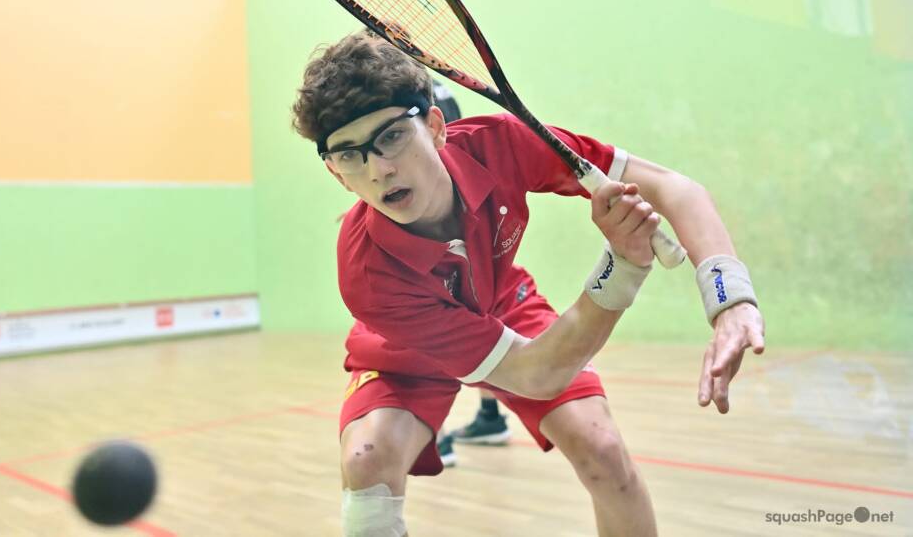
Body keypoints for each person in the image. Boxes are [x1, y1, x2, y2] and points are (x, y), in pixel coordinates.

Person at [291, 31, 765, 536]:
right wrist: (623, 267)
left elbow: (672, 187)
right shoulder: (366, 277)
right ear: (336, 173)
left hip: (502, 301)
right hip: (402, 345)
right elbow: (536, 374)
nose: (379, 170)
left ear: (435, 127)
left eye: (391, 137)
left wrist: (730, 298)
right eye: (350, 155)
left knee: (602, 450)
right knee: (367, 465)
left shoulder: (500, 144)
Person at [429, 81, 511, 468]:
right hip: (472, 221)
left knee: (426, 329)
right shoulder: (438, 89)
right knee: (482, 318)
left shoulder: (401, 92)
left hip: (436, 226)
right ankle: (490, 416)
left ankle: (438, 437)